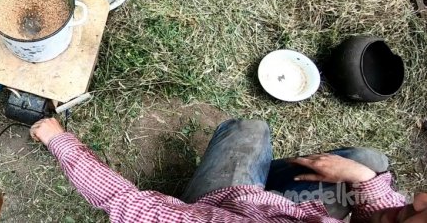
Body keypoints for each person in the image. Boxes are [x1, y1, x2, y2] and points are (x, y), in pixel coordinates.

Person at [30, 117, 427, 223]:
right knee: (369, 164)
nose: (420, 197)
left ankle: (252, 178)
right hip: (283, 212)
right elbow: (381, 201)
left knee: (249, 130)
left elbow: (129, 205)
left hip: (227, 208)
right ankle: (271, 182)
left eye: (420, 211)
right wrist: (364, 181)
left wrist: (58, 139)